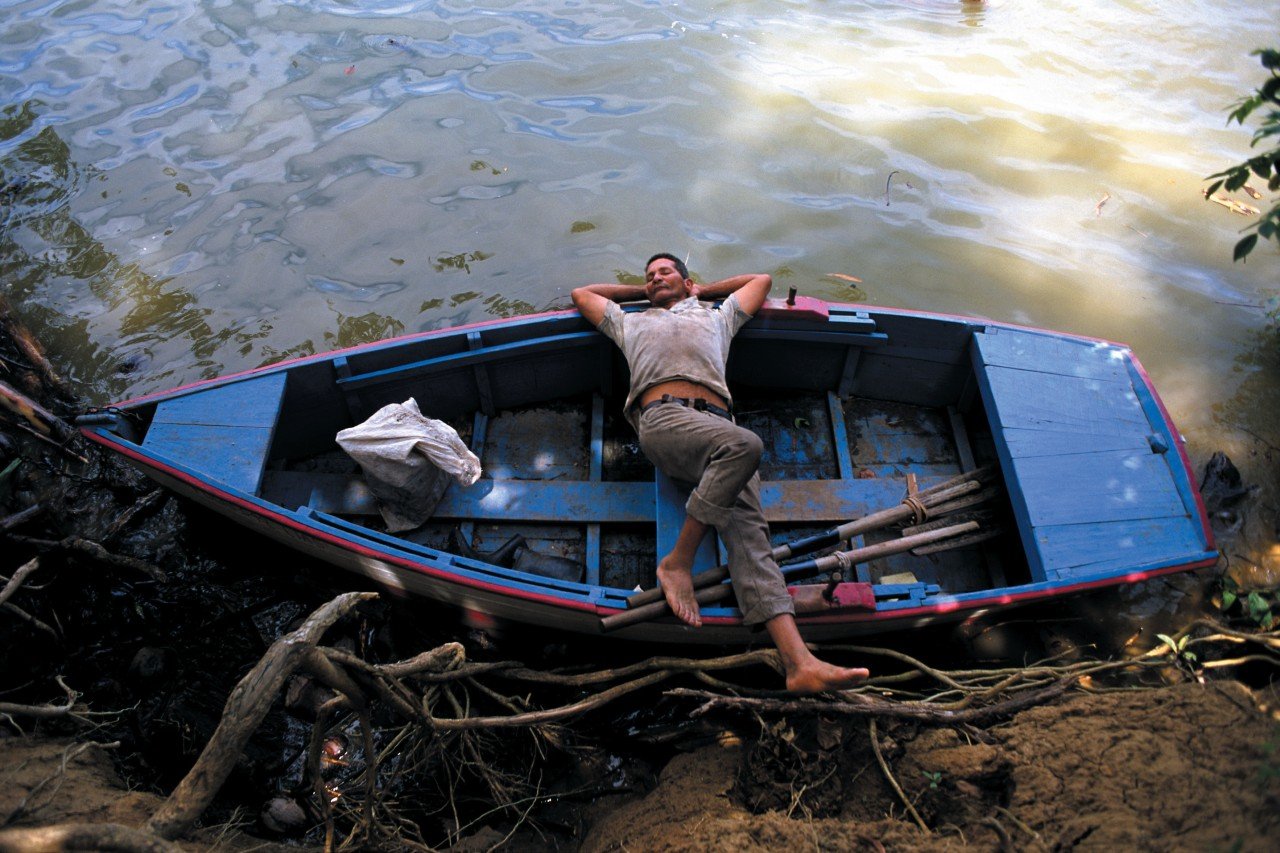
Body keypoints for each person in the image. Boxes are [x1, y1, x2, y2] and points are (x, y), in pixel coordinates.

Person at [572, 253, 869, 694]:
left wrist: (700, 292)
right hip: (665, 423)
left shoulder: (718, 316)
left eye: (664, 272)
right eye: (649, 276)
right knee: (745, 444)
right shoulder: (629, 322)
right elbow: (584, 295)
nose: (655, 279)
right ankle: (678, 563)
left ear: (687, 280)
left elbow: (761, 279)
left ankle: (798, 663)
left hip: (716, 430)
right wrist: (647, 294)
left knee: (752, 541)